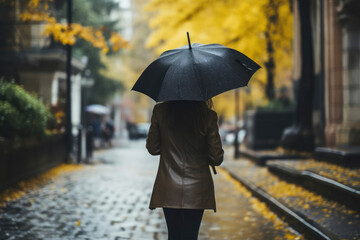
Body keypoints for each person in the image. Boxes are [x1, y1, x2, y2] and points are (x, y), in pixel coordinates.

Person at [146, 100, 224, 240]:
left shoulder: (161, 111)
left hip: (169, 187)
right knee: (191, 235)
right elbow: (217, 158)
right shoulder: (208, 115)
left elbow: (153, 148)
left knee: (173, 235)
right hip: (197, 189)